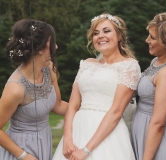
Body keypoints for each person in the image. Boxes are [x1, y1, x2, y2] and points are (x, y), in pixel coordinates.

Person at [52, 13, 141, 160]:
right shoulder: (87, 64)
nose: (100, 36)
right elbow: (73, 106)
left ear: (119, 36)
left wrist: (87, 150)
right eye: (95, 33)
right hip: (78, 130)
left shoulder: (129, 66)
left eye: (106, 31)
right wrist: (67, 139)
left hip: (107, 134)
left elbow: (117, 111)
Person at [0, 19, 68, 160]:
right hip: (20, 150)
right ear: (40, 48)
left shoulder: (49, 70)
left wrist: (90, 108)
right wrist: (24, 156)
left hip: (44, 141)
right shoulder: (15, 88)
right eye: (51, 43)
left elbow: (59, 106)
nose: (55, 46)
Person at [131, 12, 166, 160]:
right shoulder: (157, 61)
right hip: (145, 129)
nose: (147, 40)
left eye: (152, 37)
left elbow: (159, 122)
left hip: (162, 139)